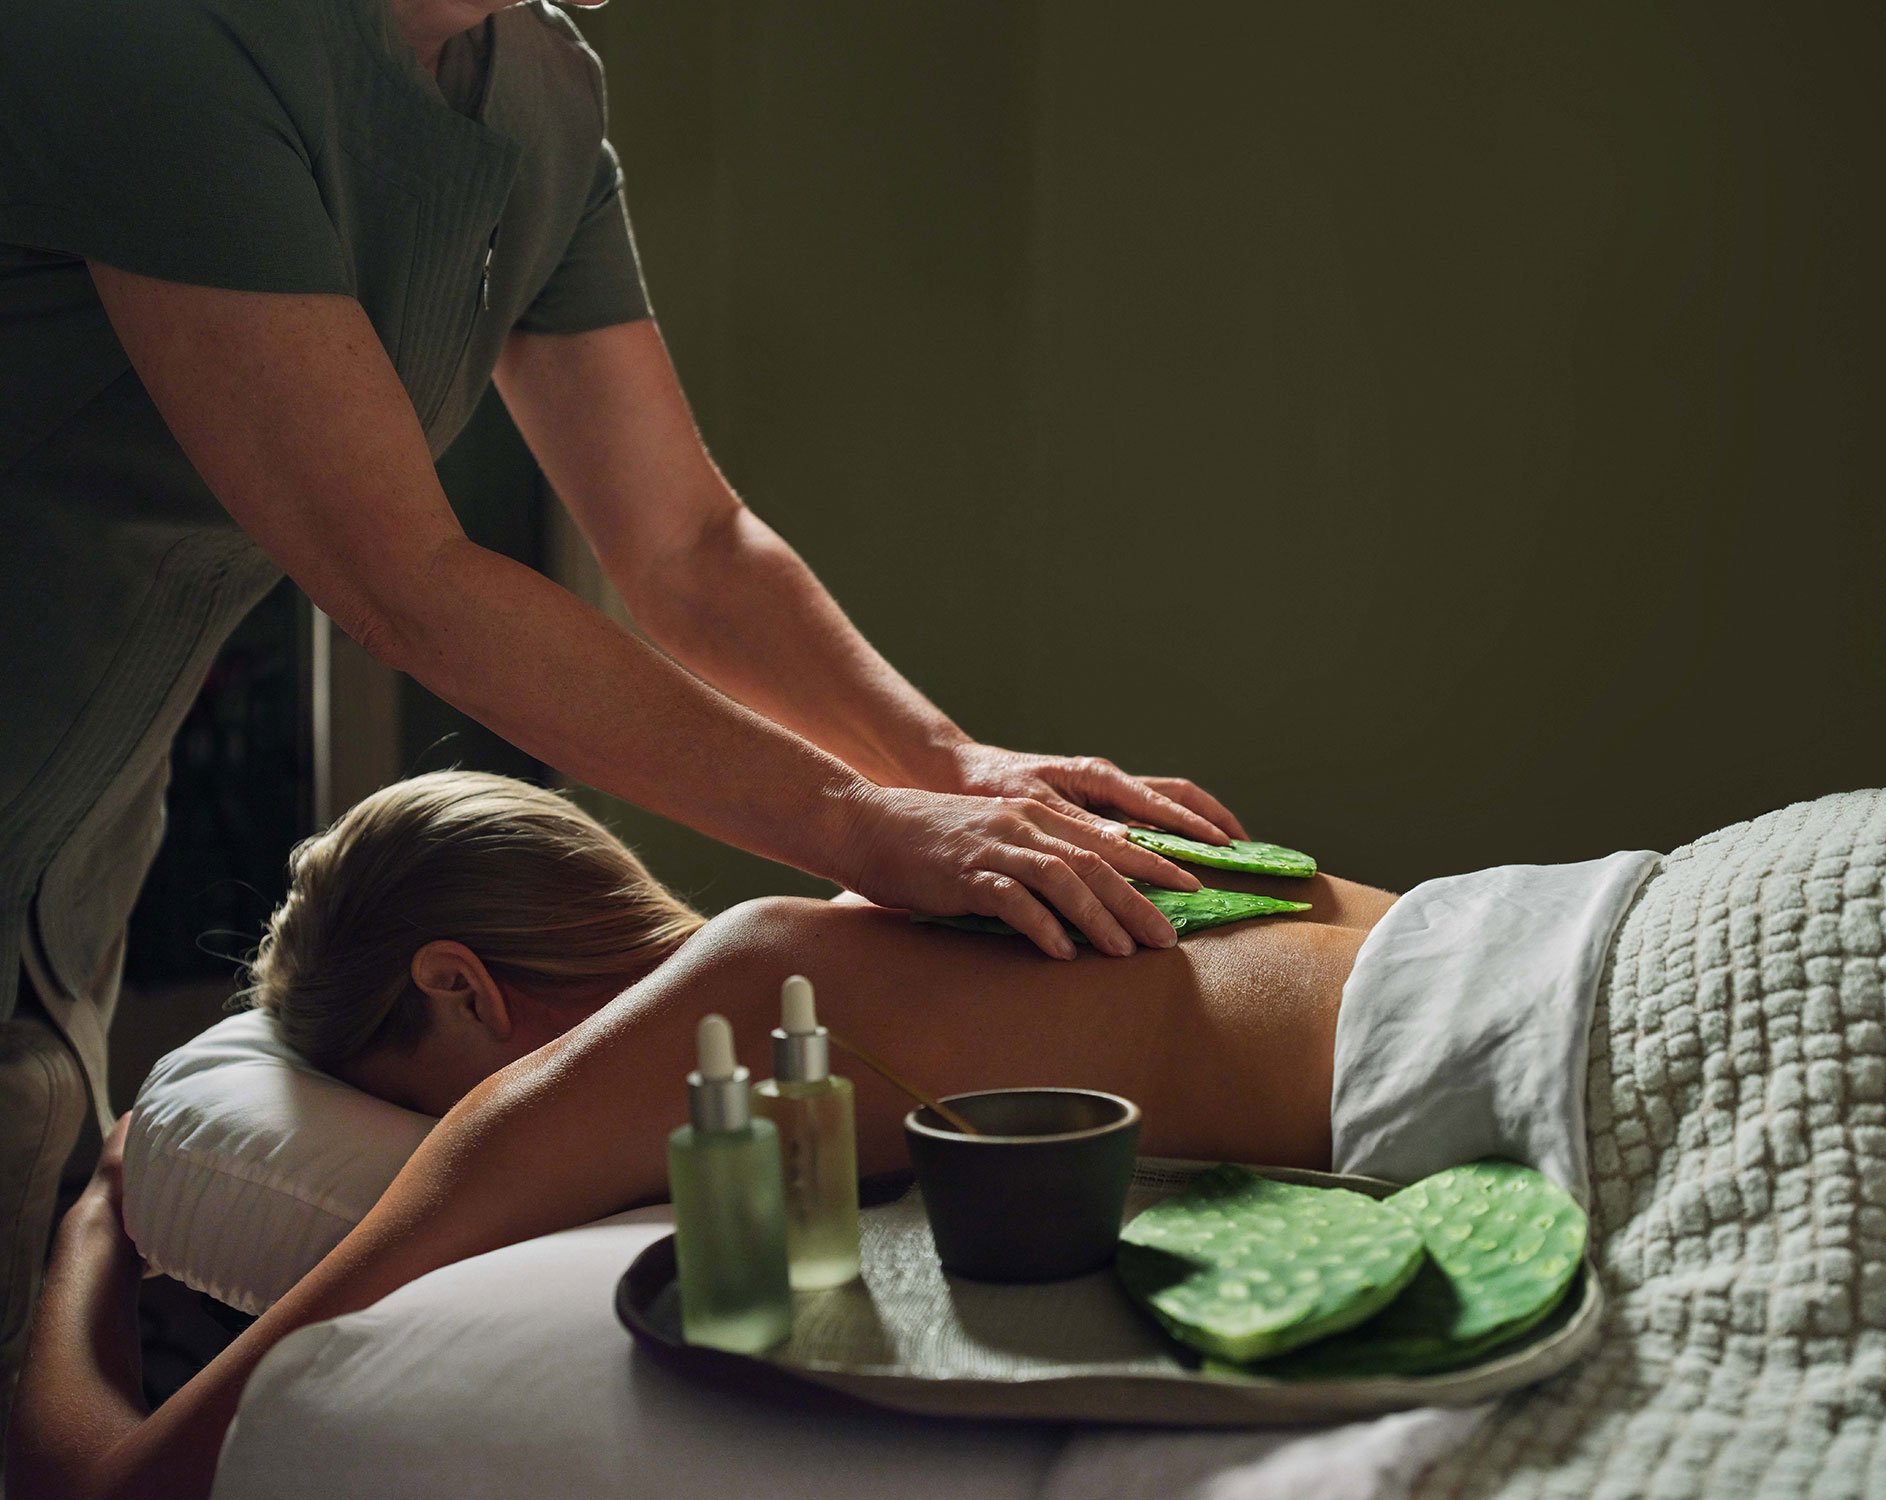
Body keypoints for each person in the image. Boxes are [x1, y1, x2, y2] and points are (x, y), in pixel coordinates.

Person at [0, 0, 1243, 1433]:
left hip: (73, 848)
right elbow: (400, 575)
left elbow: (690, 547)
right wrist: (865, 821)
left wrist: (955, 772)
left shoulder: (535, 89)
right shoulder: (147, 36)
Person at [6, 772, 1395, 1499]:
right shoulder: (993, 871)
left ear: (458, 986)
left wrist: (93, 1233)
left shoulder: (691, 1034)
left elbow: (113, 1485)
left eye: (413, 1098)